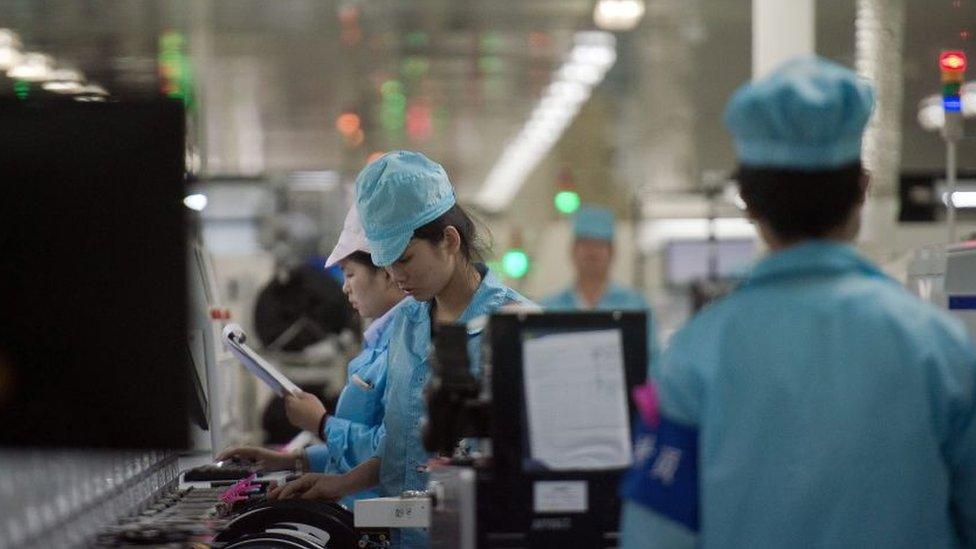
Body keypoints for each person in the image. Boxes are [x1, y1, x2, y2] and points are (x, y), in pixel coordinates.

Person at [619, 56, 976, 548]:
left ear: (747, 200)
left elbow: (655, 537)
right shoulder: (941, 350)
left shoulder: (695, 357)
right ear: (862, 188)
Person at [269, 150, 534, 548]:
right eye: (386, 262)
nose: (396, 276)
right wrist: (341, 483)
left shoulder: (517, 327)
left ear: (448, 240)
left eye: (405, 259)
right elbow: (399, 447)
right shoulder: (406, 324)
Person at [219, 204, 406, 507]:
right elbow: (374, 448)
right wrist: (295, 461)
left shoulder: (407, 344)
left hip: (382, 520)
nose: (344, 288)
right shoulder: (381, 341)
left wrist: (321, 424)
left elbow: (397, 451)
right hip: (361, 511)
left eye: (349, 274)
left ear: (384, 273)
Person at [540, 204, 660, 372]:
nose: (592, 252)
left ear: (612, 252)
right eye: (585, 244)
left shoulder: (636, 306)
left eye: (599, 244)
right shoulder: (549, 308)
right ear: (573, 251)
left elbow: (653, 362)